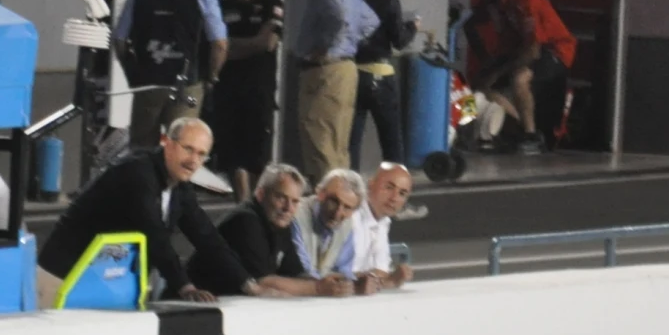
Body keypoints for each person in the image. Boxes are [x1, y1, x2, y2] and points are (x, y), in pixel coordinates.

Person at [37, 117, 306, 304]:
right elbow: (153, 233)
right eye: (188, 149)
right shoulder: (137, 173)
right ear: (166, 142)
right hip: (61, 276)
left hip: (101, 283)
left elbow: (207, 237)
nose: (193, 161)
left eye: (202, 155)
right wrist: (184, 285)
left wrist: (249, 285)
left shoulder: (180, 187)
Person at [116, 0, 228, 148]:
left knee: (141, 150)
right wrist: (211, 77)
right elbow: (220, 45)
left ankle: (144, 177)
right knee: (181, 146)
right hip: (187, 85)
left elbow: (119, 40)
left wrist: (133, 74)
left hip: (148, 83)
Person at [197, 163, 359, 295]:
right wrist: (318, 288)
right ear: (260, 194)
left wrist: (335, 282)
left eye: (295, 201)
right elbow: (263, 281)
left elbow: (294, 273)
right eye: (281, 198)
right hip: (199, 304)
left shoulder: (280, 222)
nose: (288, 208)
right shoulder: (246, 220)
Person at [464, 0, 573, 154]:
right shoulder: (496, 4)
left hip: (554, 51)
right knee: (479, 84)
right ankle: (470, 128)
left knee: (519, 78)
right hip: (523, 50)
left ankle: (531, 136)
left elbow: (533, 50)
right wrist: (487, 65)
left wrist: (498, 73)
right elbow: (473, 27)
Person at [292, 0, 378, 182]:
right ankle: (343, 202)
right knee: (338, 145)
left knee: (320, 143)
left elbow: (337, 17)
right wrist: (348, 42)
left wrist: (325, 46)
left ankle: (329, 205)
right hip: (346, 68)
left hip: (324, 70)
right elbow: (370, 21)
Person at [210, 0, 285, 200]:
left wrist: (233, 46)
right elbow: (218, 46)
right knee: (233, 152)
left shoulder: (271, 3)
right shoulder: (222, 7)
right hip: (229, 90)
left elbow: (268, 43)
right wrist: (250, 43)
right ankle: (242, 204)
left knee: (258, 154)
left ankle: (258, 201)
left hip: (259, 90)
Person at [347, 0, 414, 167]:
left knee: (352, 143)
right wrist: (413, 27)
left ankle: (352, 193)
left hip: (352, 73)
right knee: (391, 142)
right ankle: (395, 192)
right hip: (381, 74)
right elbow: (399, 40)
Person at [317, 161, 413, 288]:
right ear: (370, 184)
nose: (394, 198)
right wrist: (390, 280)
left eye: (402, 193)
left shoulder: (383, 221)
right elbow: (344, 278)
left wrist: (387, 279)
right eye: (389, 187)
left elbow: (380, 272)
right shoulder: (350, 215)